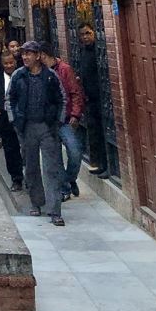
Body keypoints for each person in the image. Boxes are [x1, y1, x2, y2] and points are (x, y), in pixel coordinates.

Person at [9, 40, 67, 226]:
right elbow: (9, 98)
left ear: (38, 56)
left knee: (52, 168)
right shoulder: (18, 76)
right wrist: (15, 120)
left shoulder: (50, 76)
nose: (25, 57)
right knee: (31, 166)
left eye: (29, 53)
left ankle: (55, 209)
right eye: (23, 53)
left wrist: (58, 121)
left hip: (47, 126)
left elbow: (61, 99)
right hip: (27, 126)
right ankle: (36, 202)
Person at [40, 42, 84, 200]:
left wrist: (75, 114)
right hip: (49, 121)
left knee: (75, 152)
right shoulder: (40, 72)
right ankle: (65, 189)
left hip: (65, 120)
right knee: (56, 157)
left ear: (44, 55)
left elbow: (75, 92)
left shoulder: (64, 69)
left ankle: (70, 179)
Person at [0, 50, 24, 192]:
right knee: (10, 149)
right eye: (6, 63)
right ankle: (16, 178)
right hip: (5, 119)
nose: (9, 66)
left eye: (11, 63)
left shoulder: (22, 75)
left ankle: (29, 175)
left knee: (26, 149)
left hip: (22, 117)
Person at [77, 23, 109, 176]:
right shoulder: (83, 51)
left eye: (88, 33)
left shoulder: (100, 50)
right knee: (94, 131)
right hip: (90, 99)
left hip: (102, 99)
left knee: (104, 131)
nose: (85, 37)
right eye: (82, 34)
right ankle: (97, 162)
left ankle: (107, 165)